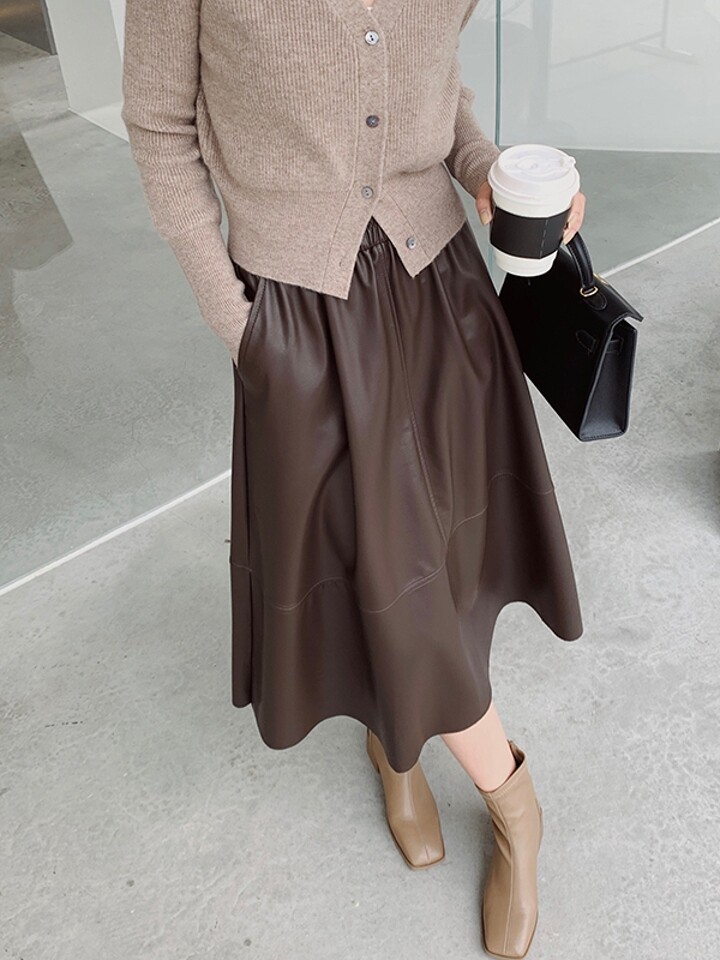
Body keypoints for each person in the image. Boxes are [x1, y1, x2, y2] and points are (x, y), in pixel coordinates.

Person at [121, 1, 586, 955]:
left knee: (437, 552)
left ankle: (396, 739)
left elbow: (439, 91)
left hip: (440, 283)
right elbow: (160, 127)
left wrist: (485, 172)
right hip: (300, 313)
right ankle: (514, 801)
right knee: (372, 555)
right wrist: (239, 325)